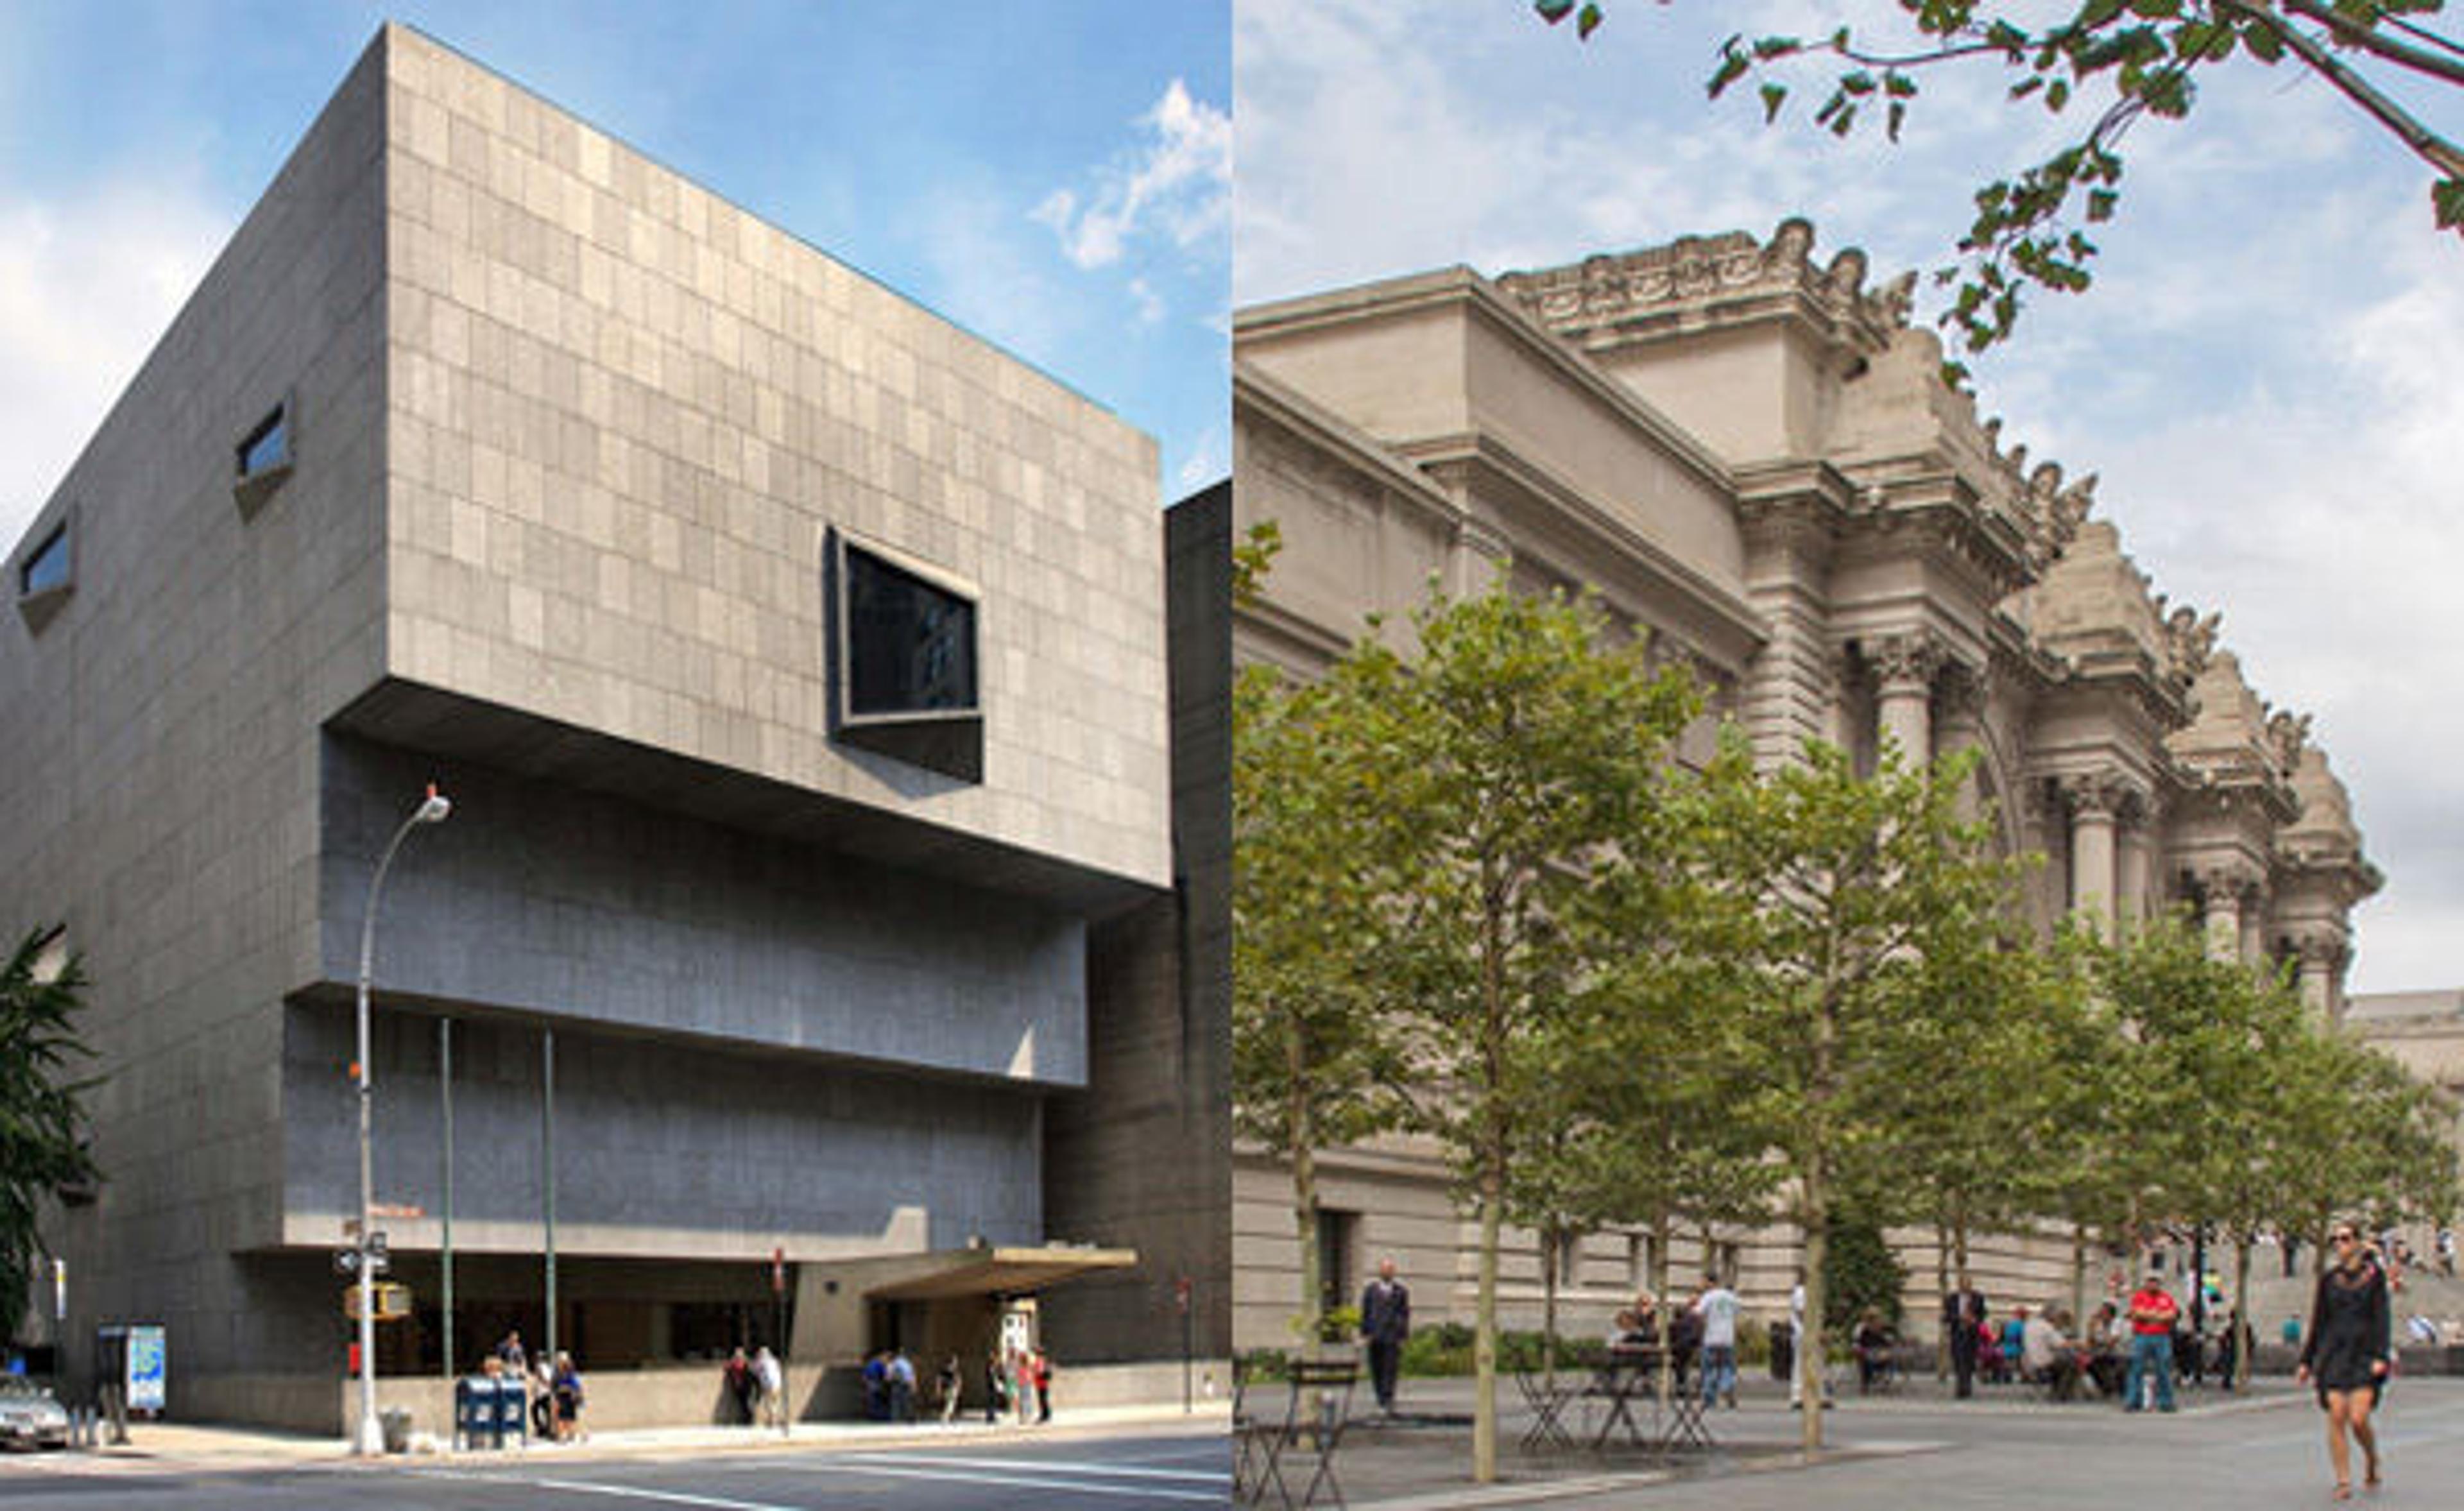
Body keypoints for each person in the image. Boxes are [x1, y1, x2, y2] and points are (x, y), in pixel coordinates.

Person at [2297, 1221, 2392, 1499]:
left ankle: (2372, 1459)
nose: (2341, 1245)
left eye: (2346, 1238)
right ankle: (2343, 1479)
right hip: (2334, 1353)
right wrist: (2307, 1360)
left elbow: (2381, 1318)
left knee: (2359, 1418)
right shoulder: (2329, 1280)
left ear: (2360, 1243)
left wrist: (2380, 1355)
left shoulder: (2375, 1278)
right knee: (2337, 1414)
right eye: (2336, 1240)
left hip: (2363, 1352)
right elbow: (2319, 1320)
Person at [1359, 1257, 1411, 1414]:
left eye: (1390, 1269)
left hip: (1392, 1336)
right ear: (1380, 1271)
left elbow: (1404, 1314)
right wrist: (1365, 1333)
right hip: (1375, 1335)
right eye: (1384, 1268)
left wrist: (1403, 1335)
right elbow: (1366, 1313)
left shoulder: (1400, 1292)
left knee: (1390, 1368)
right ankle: (1380, 1398)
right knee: (1377, 1368)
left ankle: (1388, 1399)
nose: (1387, 1271)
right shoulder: (1371, 1291)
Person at [2123, 1271, 2180, 1413]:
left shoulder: (2167, 1298)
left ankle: (2166, 1402)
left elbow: (2172, 1315)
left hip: (2161, 1336)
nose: (2153, 1284)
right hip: (2142, 1336)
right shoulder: (2139, 1297)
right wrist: (2158, 1315)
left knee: (2164, 1369)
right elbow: (2137, 1313)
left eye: (2155, 1281)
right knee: (2136, 1368)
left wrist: (2149, 1315)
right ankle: (2133, 1401)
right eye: (2150, 1281)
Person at [1692, 1271, 1740, 1410]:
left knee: (1709, 1367)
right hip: (1728, 1338)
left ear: (1709, 1282)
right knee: (1727, 1367)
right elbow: (1738, 1310)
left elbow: (1698, 1312)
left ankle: (1709, 1397)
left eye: (1703, 1281)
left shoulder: (1709, 1296)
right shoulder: (1730, 1296)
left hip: (1712, 1337)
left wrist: (1693, 1305)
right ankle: (1725, 1386)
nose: (1701, 1284)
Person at [2021, 1306, 2081, 1402]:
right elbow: (2062, 1344)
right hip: (2044, 1362)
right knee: (2071, 1363)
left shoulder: (2029, 1325)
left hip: (2029, 1363)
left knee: (2062, 1361)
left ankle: (2056, 1391)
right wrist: (2079, 1344)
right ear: (2051, 1316)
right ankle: (2060, 1394)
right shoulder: (2047, 1327)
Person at [1944, 1276, 1987, 1398]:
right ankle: (1960, 1388)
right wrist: (1959, 1318)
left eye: (1968, 1284)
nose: (1966, 1287)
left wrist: (1975, 1320)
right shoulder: (1952, 1298)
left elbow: (1983, 1314)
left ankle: (1967, 1387)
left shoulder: (1978, 1298)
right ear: (1959, 1286)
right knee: (1958, 1361)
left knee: (1969, 1361)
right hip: (1958, 1334)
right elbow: (1946, 1317)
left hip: (1972, 1334)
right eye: (1963, 1285)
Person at [1852, 1308, 1895, 1394]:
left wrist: (1887, 1348)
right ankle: (1867, 1383)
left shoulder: (1882, 1327)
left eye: (1876, 1317)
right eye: (1872, 1317)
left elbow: (1887, 1342)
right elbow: (1856, 1343)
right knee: (1867, 1358)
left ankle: (1885, 1381)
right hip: (1867, 1351)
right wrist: (1861, 1350)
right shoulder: (1861, 1328)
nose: (1876, 1319)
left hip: (1880, 1351)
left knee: (1889, 1356)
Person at [551, 1351, 584, 1442]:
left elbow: (576, 1385)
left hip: (570, 1397)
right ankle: (561, 1435)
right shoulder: (556, 1374)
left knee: (571, 1416)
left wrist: (578, 1394)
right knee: (560, 1416)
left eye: (564, 1362)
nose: (563, 1364)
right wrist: (558, 1393)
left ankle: (571, 1434)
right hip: (560, 1397)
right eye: (561, 1362)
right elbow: (554, 1387)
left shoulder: (571, 1372)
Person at [753, 1345, 784, 1429]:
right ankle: (773, 1420)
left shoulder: (762, 1361)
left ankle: (772, 1421)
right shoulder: (774, 1361)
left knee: (769, 1404)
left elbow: (755, 1370)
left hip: (769, 1385)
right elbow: (778, 1370)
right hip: (777, 1385)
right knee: (774, 1403)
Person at [723, 1347, 754, 1424]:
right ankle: (745, 1419)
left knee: (745, 1404)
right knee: (742, 1404)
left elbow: (728, 1367)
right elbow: (726, 1367)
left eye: (739, 1355)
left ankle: (748, 1420)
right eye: (737, 1355)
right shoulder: (740, 1363)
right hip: (739, 1387)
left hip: (745, 1387)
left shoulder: (742, 1364)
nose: (738, 1357)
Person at [889, 1347, 918, 1423]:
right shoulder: (908, 1363)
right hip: (906, 1384)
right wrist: (914, 1386)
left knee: (897, 1403)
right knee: (906, 1402)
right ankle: (910, 1418)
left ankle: (896, 1419)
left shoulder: (895, 1363)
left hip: (899, 1384)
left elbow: (890, 1374)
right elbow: (912, 1375)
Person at [981, 1348, 1008, 1425]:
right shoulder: (990, 1364)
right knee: (991, 1401)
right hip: (991, 1385)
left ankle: (992, 1416)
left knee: (994, 1401)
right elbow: (989, 1375)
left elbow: (1002, 1374)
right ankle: (990, 1416)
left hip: (996, 1385)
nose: (992, 1356)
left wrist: (1002, 1381)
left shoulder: (998, 1365)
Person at [937, 1354, 963, 1424]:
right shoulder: (954, 1371)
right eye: (955, 1361)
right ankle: (945, 1417)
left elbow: (939, 1380)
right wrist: (959, 1388)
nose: (956, 1363)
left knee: (949, 1404)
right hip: (951, 1388)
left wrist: (939, 1389)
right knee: (951, 1404)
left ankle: (949, 1417)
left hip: (946, 1388)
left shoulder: (944, 1370)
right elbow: (958, 1380)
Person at [1031, 1347, 1054, 1424]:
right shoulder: (1043, 1360)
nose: (1035, 1355)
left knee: (1043, 1400)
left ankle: (1045, 1415)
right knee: (1044, 1400)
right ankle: (1046, 1415)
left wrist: (1034, 1371)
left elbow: (1039, 1372)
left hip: (1041, 1383)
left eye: (1036, 1353)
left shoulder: (1040, 1361)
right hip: (1042, 1383)